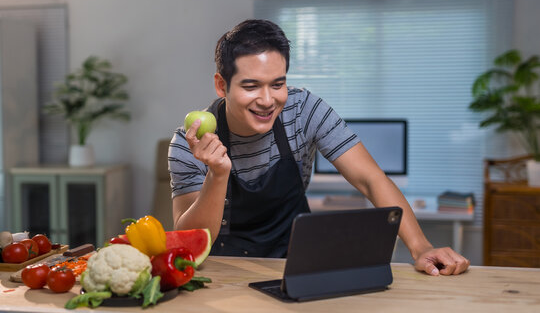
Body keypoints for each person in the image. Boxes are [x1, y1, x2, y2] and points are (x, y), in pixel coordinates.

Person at [169, 19, 470, 276]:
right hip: (223, 273)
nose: (267, 100)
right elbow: (190, 243)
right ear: (222, 86)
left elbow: (371, 179)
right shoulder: (188, 144)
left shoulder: (303, 111)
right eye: (251, 86)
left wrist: (422, 248)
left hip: (296, 266)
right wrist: (217, 175)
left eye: (277, 84)